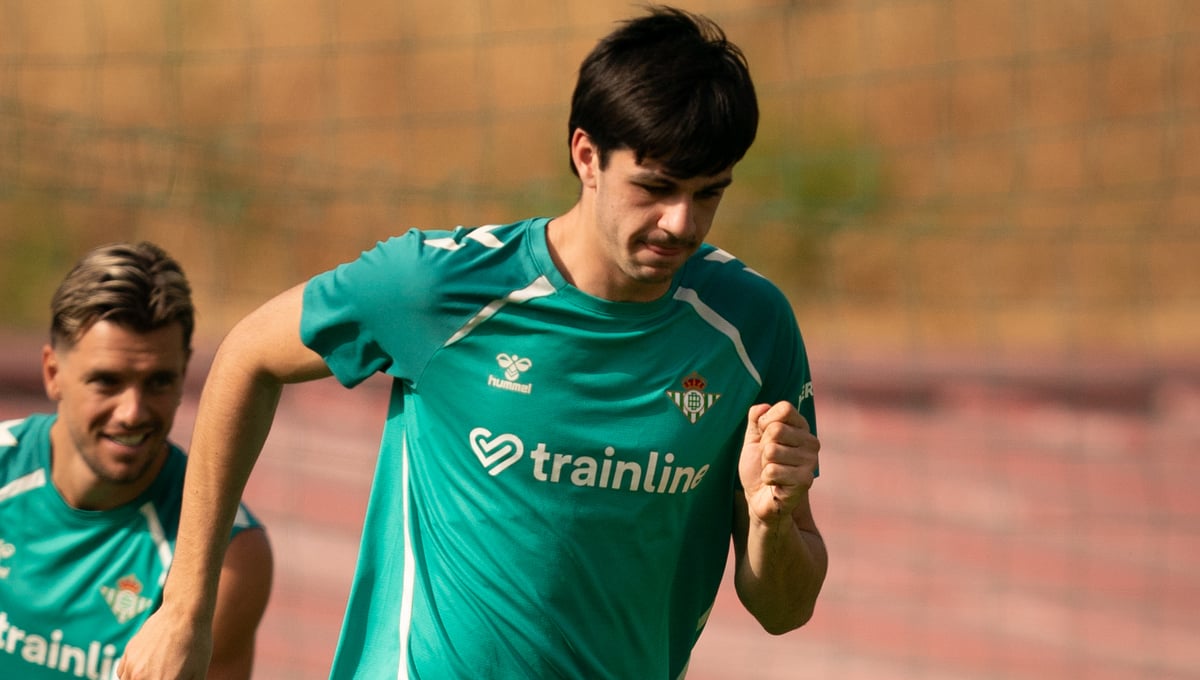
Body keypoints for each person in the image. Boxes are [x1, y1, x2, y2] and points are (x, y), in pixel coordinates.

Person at [123, 6, 826, 679]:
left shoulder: (750, 327)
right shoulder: (438, 288)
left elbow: (783, 610)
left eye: (709, 194)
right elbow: (248, 355)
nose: (681, 223)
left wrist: (772, 522)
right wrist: (184, 610)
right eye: (656, 187)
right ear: (587, 155)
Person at [0, 242, 273, 680]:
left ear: (184, 375)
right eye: (107, 381)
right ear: (53, 374)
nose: (133, 412)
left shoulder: (229, 558)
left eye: (159, 381)